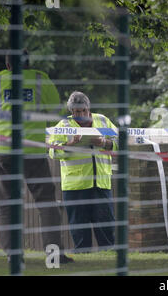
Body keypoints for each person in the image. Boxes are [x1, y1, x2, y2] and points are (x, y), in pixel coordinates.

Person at [0, 49, 74, 264]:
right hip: (33, 152)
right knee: (46, 202)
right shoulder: (41, 79)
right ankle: (54, 255)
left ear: (8, 65)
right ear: (28, 64)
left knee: (6, 204)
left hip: (5, 151)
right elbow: (53, 113)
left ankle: (14, 255)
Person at [48, 91, 117, 253]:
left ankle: (108, 259)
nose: (79, 115)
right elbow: (53, 152)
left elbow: (120, 142)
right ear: (71, 112)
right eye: (75, 112)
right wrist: (70, 144)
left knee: (106, 228)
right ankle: (84, 261)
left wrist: (104, 143)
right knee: (80, 231)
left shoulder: (103, 121)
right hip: (75, 187)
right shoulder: (63, 126)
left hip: (101, 184)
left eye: (82, 111)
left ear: (88, 108)